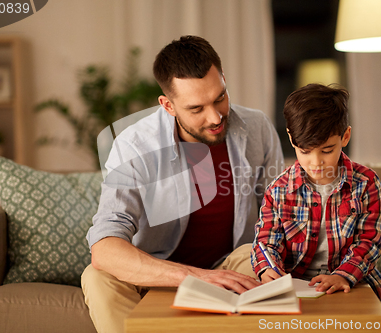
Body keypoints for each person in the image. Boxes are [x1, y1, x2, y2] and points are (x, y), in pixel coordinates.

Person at [81, 35, 284, 333]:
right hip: (160, 272)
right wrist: (195, 276)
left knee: (258, 257)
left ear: (224, 80)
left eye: (220, 98)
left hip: (231, 264)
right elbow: (104, 247)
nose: (215, 117)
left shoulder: (258, 128)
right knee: (97, 277)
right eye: (196, 109)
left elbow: (278, 215)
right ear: (168, 105)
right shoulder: (134, 146)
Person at [251, 83, 381, 304]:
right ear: (290, 138)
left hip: (352, 281)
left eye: (327, 150)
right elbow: (266, 241)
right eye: (305, 152)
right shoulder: (278, 190)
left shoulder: (366, 183)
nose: (316, 162)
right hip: (297, 285)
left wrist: (342, 275)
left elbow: (369, 241)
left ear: (345, 137)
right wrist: (268, 268)